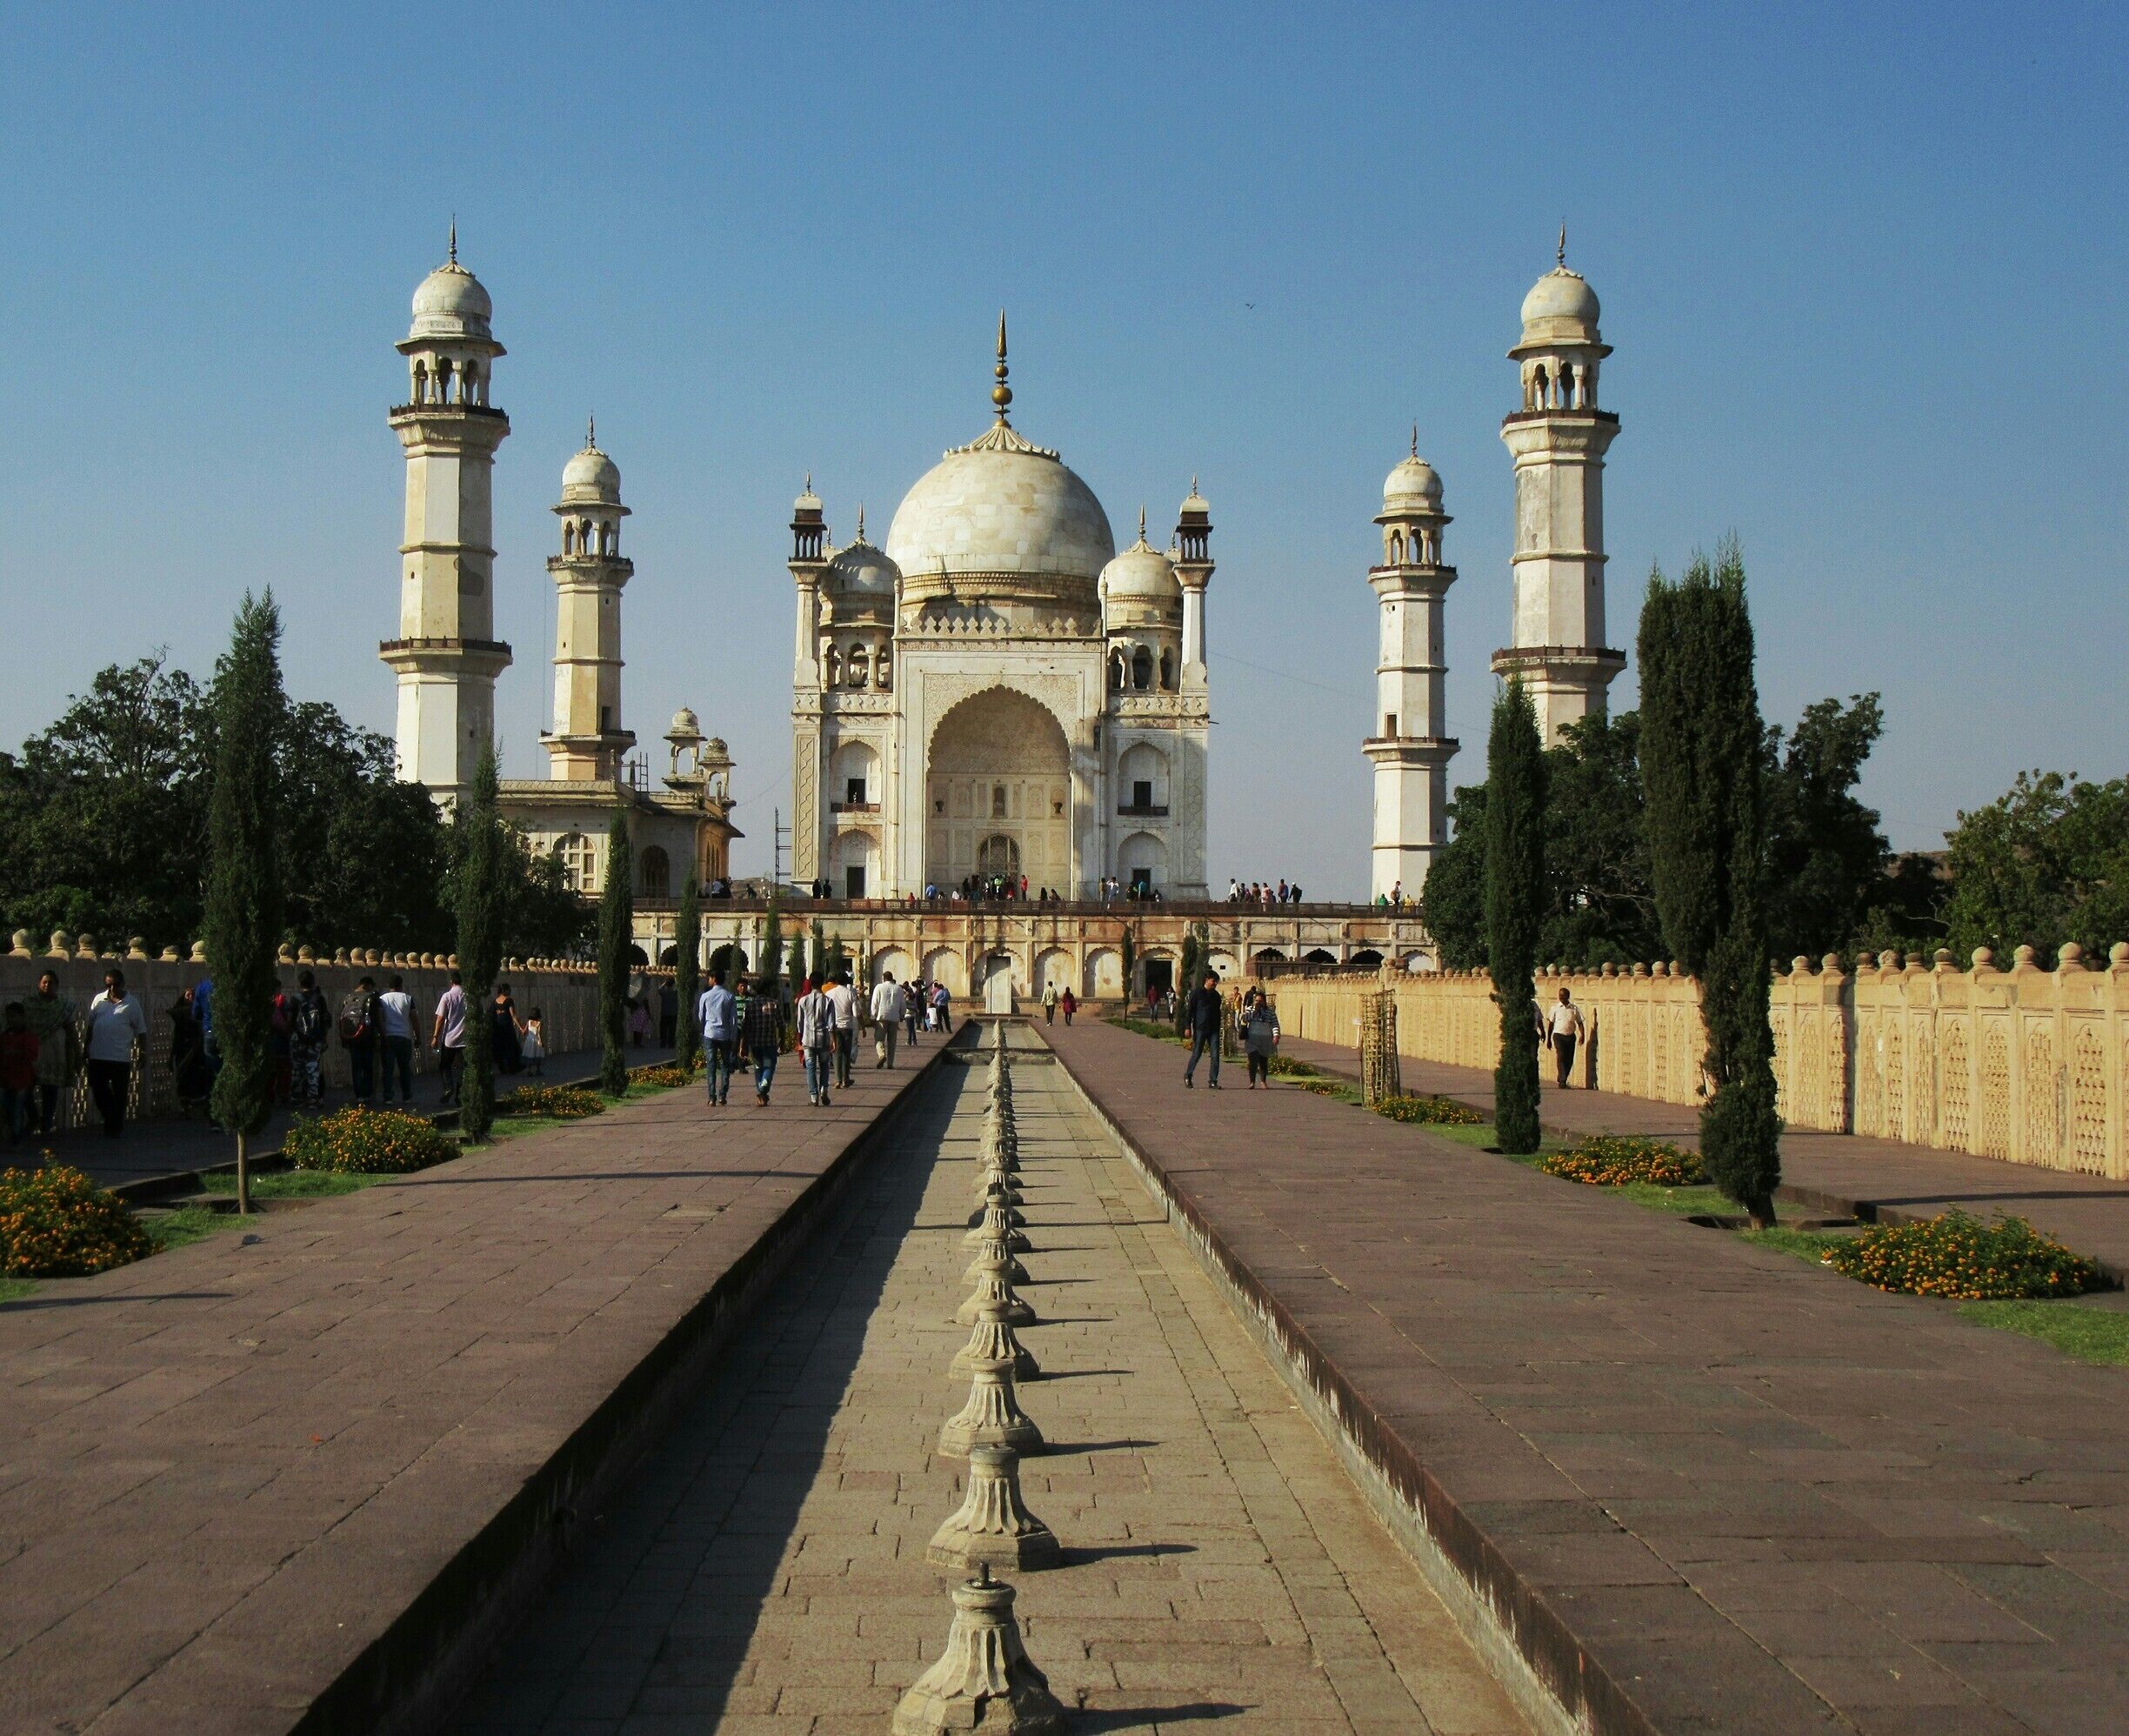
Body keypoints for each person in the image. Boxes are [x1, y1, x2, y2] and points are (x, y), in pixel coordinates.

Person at [83, 968, 147, 1136]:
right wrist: (85, 1049)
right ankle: (111, 1118)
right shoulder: (99, 1000)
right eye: (108, 985)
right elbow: (90, 1026)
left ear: (123, 984)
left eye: (115, 985)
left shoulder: (132, 1003)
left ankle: (114, 1127)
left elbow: (141, 1030)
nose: (112, 989)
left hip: (119, 1058)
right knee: (98, 1091)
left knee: (119, 1095)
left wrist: (144, 1052)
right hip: (98, 1055)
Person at [22, 971, 78, 1138]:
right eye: (44, 982)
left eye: (51, 983)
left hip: (54, 1054)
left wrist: (77, 1053)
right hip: (32, 1054)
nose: (47, 986)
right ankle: (33, 1118)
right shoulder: (29, 1004)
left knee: (50, 1091)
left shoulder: (63, 1006)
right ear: (38, 984)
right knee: (25, 1089)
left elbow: (71, 1030)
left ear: (57, 985)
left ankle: (46, 1125)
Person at [739, 974, 784, 1105]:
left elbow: (745, 1027)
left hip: (755, 1042)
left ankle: (761, 1096)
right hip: (769, 1042)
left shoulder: (750, 1005)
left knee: (758, 1068)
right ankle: (763, 1089)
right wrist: (782, 1040)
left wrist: (743, 1045)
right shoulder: (773, 1004)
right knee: (769, 1067)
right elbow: (781, 1024)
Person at [290, 970, 330, 1110]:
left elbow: (290, 1021)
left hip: (298, 1040)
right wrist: (323, 1038)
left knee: (297, 1069)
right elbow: (326, 1020)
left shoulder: (295, 999)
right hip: (315, 1040)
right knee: (313, 1069)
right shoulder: (319, 999)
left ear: (300, 983)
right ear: (313, 983)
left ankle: (296, 1098)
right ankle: (313, 1099)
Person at [168, 987, 210, 1118]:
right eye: (188, 995)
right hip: (183, 1052)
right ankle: (185, 1109)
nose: (190, 998)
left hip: (198, 1053)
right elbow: (176, 1037)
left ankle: (201, 1109)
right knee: (184, 1082)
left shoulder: (202, 1012)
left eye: (193, 995)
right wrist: (171, 1057)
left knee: (199, 1082)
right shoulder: (181, 1015)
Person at [339, 975, 382, 1103]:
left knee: (356, 1066)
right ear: (368, 985)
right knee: (368, 1066)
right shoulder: (371, 998)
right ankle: (368, 1093)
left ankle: (359, 1095)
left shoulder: (348, 998)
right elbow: (377, 1019)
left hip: (352, 1037)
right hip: (367, 1037)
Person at [0, 1004, 38, 1144]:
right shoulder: (4, 1036)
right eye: (9, 1017)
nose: (11, 1020)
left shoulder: (28, 1036)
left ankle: (17, 1136)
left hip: (22, 1079)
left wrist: (16, 1053)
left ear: (22, 1018)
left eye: (14, 1017)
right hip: (5, 1079)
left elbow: (32, 1054)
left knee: (18, 1109)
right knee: (6, 1108)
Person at [795, 975, 836, 1106]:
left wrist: (800, 1038)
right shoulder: (828, 1001)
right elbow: (831, 1023)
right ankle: (824, 1089)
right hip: (823, 1038)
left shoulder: (803, 1000)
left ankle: (814, 1096)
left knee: (811, 1067)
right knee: (824, 1066)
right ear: (821, 984)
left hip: (808, 1038)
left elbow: (800, 1022)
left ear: (811, 984)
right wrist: (833, 1039)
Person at [698, 969, 737, 1105]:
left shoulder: (705, 996)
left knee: (711, 1066)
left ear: (713, 979)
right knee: (725, 1065)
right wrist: (733, 1038)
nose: (708, 980)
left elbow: (701, 1016)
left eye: (709, 978)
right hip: (725, 1034)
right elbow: (733, 1020)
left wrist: (704, 1030)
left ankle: (711, 1096)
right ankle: (722, 1095)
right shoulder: (729, 996)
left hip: (710, 1033)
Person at [377, 974, 417, 1103]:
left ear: (389, 986)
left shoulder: (382, 999)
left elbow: (380, 1018)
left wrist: (382, 1035)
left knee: (388, 1069)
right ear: (401, 985)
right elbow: (414, 1018)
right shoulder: (408, 998)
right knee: (405, 1068)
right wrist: (418, 1036)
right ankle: (407, 1096)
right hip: (404, 1037)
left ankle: (388, 1097)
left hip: (388, 1036)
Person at [1182, 970, 1224, 1090]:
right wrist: (1187, 1027)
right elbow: (1190, 1010)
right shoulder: (1197, 993)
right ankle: (1188, 1075)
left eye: (1216, 981)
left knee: (1215, 1055)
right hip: (1200, 1028)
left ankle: (1213, 1080)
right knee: (1197, 1053)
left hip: (1214, 1029)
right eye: (1213, 981)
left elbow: (1217, 1012)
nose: (1215, 983)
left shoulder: (1216, 996)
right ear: (1207, 980)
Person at [432, 971, 468, 1105]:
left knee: (445, 1065)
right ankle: (460, 1095)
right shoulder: (468, 996)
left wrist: (435, 1036)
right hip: (465, 1037)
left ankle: (448, 1087)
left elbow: (440, 1018)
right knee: (462, 1068)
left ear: (451, 982)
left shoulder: (447, 996)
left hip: (450, 1038)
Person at [1544, 986, 1585, 1087]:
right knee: (1561, 1055)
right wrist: (1548, 1039)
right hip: (1558, 1035)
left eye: (1563, 995)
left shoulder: (1574, 1009)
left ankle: (1563, 1077)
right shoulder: (1555, 1008)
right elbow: (1551, 1025)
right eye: (1560, 995)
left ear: (1568, 996)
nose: (1561, 997)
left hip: (1570, 1036)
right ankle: (1562, 1081)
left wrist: (1582, 1035)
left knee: (1569, 1059)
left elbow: (1580, 1023)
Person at [1242, 987, 1282, 1088]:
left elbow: (1274, 1024)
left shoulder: (1270, 1012)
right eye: (1256, 1001)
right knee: (1253, 1059)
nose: (1258, 1003)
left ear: (1264, 1001)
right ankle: (1252, 1082)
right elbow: (1244, 1019)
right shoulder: (1250, 1010)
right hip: (1252, 1039)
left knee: (1263, 1060)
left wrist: (1276, 1036)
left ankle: (1263, 1081)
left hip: (1265, 1039)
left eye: (1260, 1001)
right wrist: (1254, 1012)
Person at [826, 971, 858, 1089]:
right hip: (847, 1026)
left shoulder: (829, 994)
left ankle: (838, 1080)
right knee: (846, 1053)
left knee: (836, 1052)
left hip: (834, 1026)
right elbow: (855, 1012)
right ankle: (846, 1079)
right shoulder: (849, 994)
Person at [869, 971, 904, 1070]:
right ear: (892, 978)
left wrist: (872, 1017)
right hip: (894, 1017)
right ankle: (890, 1064)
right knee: (892, 1041)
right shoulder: (899, 989)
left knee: (879, 1039)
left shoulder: (879, 987)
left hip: (882, 1017)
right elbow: (903, 1004)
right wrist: (902, 1015)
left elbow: (874, 1003)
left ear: (883, 978)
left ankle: (881, 1054)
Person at [267, 978, 295, 1102]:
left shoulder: (263, 1002)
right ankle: (283, 1094)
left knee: (270, 1071)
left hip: (268, 1041)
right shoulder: (281, 1001)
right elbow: (289, 1019)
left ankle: (269, 1094)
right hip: (282, 1040)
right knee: (283, 1070)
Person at [491, 984, 525, 1075]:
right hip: (507, 1028)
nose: (510, 991)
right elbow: (513, 1016)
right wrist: (520, 1027)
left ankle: (502, 1067)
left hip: (498, 1028)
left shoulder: (495, 1001)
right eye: (509, 990)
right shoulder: (509, 1001)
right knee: (511, 1047)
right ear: (505, 990)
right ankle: (513, 1067)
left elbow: (492, 1015)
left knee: (500, 1047)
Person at [522, 1007, 547, 1077]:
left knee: (530, 1054)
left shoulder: (529, 1022)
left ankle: (529, 1071)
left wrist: (522, 1031)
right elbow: (539, 1033)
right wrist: (542, 1042)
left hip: (529, 1040)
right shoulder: (539, 1023)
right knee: (537, 1054)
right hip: (536, 1040)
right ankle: (538, 1070)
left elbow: (524, 1031)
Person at [658, 978, 678, 1050]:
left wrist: (664, 983)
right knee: (672, 1030)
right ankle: (671, 1043)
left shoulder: (664, 992)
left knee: (663, 1029)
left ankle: (663, 1043)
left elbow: (659, 989)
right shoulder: (675, 992)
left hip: (664, 1013)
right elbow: (679, 988)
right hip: (673, 1013)